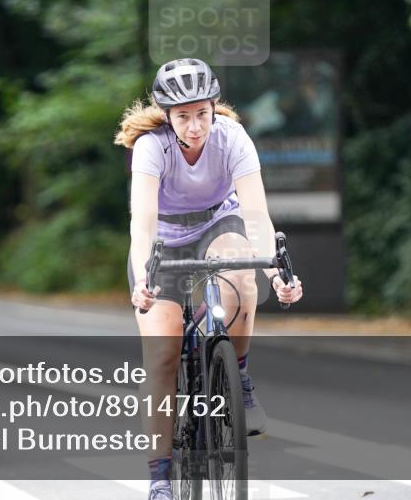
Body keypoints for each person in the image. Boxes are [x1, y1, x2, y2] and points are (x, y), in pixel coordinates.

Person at [114, 58, 303, 500]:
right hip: (164, 240)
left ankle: (237, 373)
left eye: (202, 113)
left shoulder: (233, 137)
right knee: (162, 355)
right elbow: (140, 224)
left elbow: (255, 215)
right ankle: (160, 477)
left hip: (218, 225)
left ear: (214, 108)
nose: (195, 126)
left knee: (241, 273)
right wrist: (144, 278)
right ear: (167, 116)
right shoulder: (151, 147)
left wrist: (277, 271)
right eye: (183, 116)